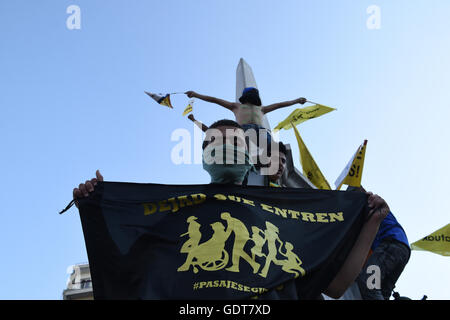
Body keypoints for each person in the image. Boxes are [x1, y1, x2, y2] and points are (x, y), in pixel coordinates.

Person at [73, 120, 391, 299]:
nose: (225, 148)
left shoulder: (286, 215)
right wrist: (97, 208)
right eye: (215, 143)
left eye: (235, 143)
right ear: (204, 158)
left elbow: (336, 285)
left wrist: (372, 222)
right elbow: (123, 274)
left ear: (250, 157)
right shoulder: (171, 217)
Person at [185, 89, 307, 152]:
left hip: (262, 132)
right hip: (245, 130)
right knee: (243, 150)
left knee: (272, 150)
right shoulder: (236, 106)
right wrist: (196, 94)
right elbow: (214, 99)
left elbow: (280, 104)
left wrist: (296, 101)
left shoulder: (261, 109)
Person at [351, 186, 410, 300]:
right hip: (401, 250)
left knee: (369, 284)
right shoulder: (370, 207)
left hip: (391, 245)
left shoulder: (370, 202)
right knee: (382, 292)